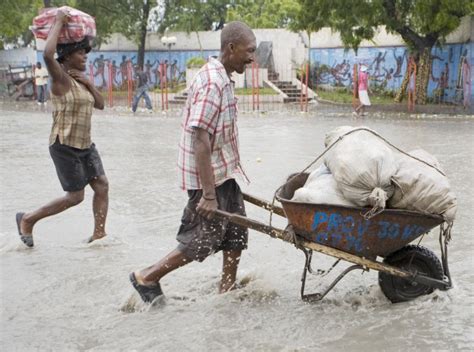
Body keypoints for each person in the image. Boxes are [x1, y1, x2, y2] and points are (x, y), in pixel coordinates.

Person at [129, 21, 257, 303]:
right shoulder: (213, 82)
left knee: (236, 232)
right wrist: (209, 195)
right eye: (249, 51)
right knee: (202, 239)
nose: (252, 57)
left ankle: (226, 291)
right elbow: (200, 138)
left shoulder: (223, 78)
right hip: (207, 178)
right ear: (231, 48)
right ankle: (147, 276)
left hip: (224, 171)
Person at [15, 9, 109, 247]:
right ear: (66, 57)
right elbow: (48, 55)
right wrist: (58, 22)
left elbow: (100, 104)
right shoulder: (62, 80)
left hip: (85, 145)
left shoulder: (81, 81)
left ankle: (99, 234)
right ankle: (28, 219)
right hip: (64, 145)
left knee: (102, 186)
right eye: (80, 53)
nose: (85, 57)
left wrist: (89, 83)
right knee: (76, 197)